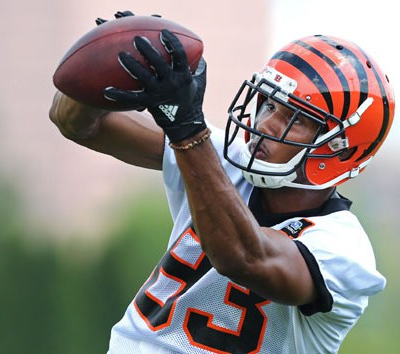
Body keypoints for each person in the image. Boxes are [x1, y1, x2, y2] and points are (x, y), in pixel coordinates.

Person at [49, 11, 395, 354]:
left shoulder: (343, 250)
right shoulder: (216, 157)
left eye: (295, 118)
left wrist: (184, 125)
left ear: (339, 150)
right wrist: (113, 62)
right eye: (270, 104)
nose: (268, 124)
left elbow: (243, 256)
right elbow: (76, 123)